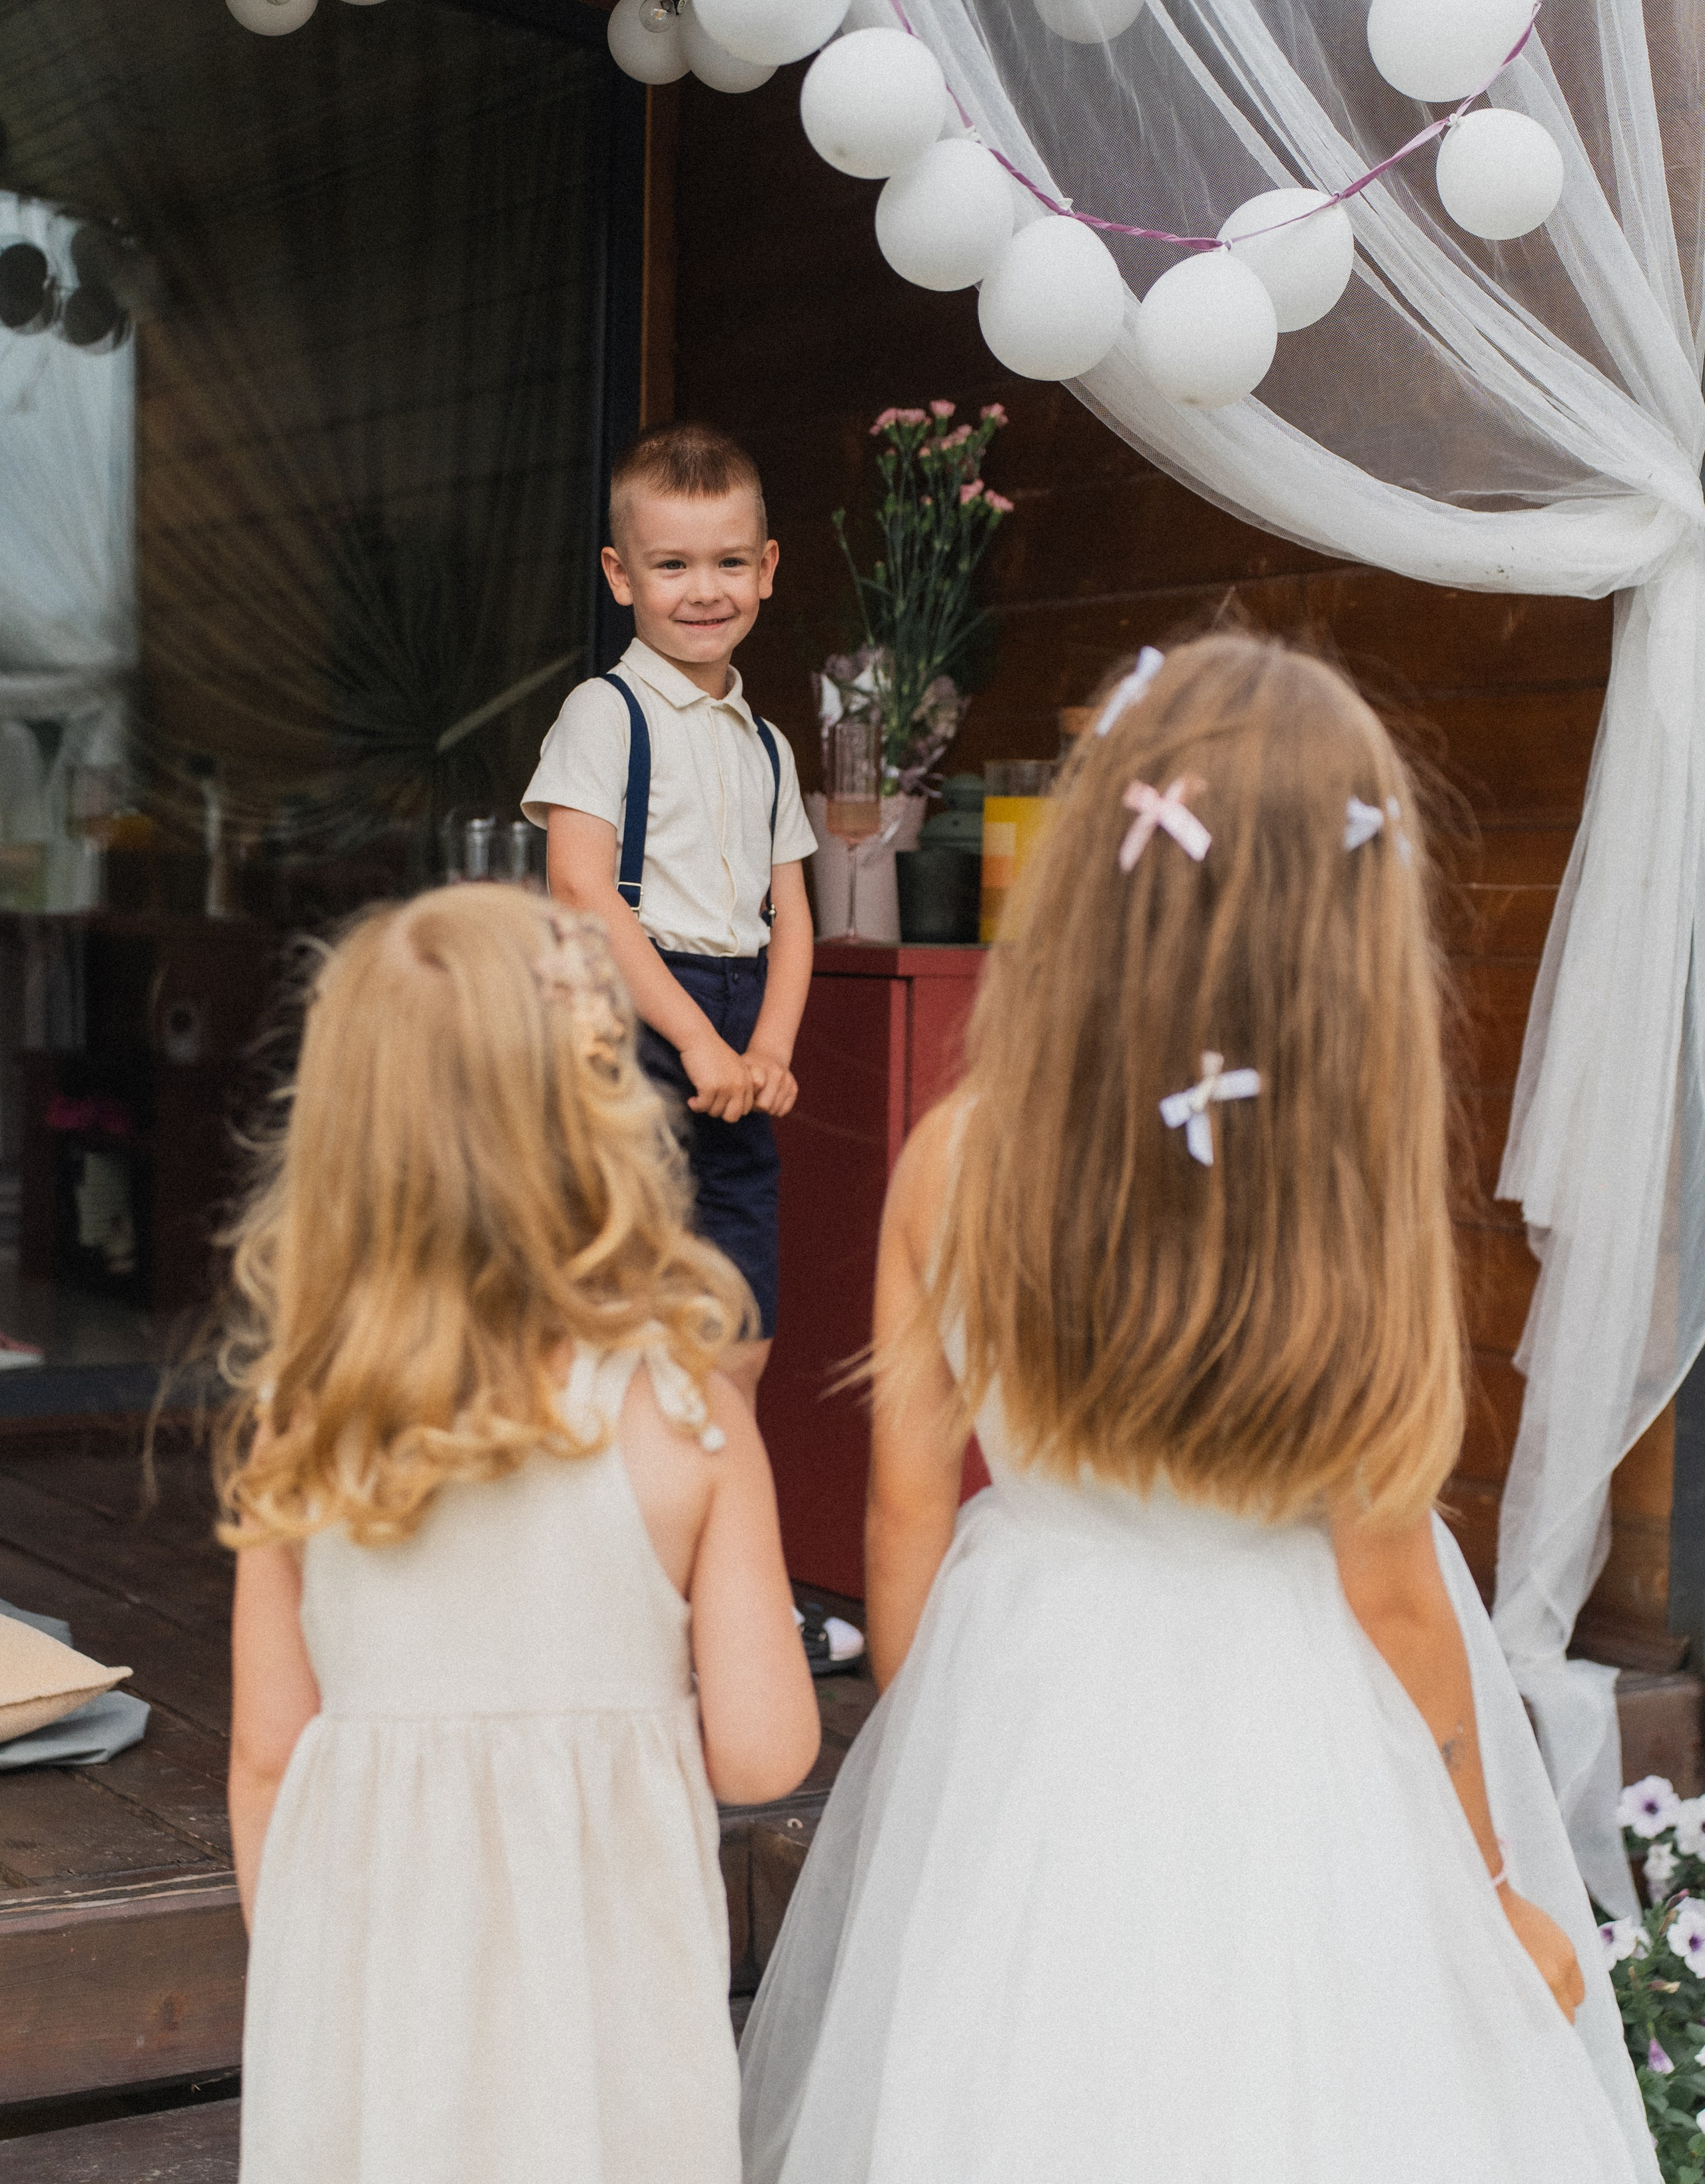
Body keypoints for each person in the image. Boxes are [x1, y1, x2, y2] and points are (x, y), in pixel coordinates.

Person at [740, 636, 1660, 2184]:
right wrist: (1487, 1876)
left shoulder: (957, 1156)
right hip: (1283, 1722)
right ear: (1341, 931)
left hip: (1025, 1698)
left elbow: (903, 1507)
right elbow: (1391, 1593)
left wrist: (931, 1763)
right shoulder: (1337, 1204)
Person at [222, 886, 821, 2184]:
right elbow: (766, 1752)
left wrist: (316, 1994)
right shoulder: (687, 1417)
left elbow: (266, 1760)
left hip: (373, 2024)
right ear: (600, 1115)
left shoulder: (305, 1422)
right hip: (612, 2027)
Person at [523, 422, 815, 1418]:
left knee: (739, 1311)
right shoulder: (604, 713)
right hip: (636, 1019)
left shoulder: (769, 744)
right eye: (672, 565)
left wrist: (769, 1047)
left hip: (736, 1027)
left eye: (729, 562)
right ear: (622, 576)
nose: (705, 590)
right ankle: (611, 1492)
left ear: (766, 569)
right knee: (614, 1291)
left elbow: (791, 915)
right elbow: (580, 888)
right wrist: (693, 1038)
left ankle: (714, 1492)